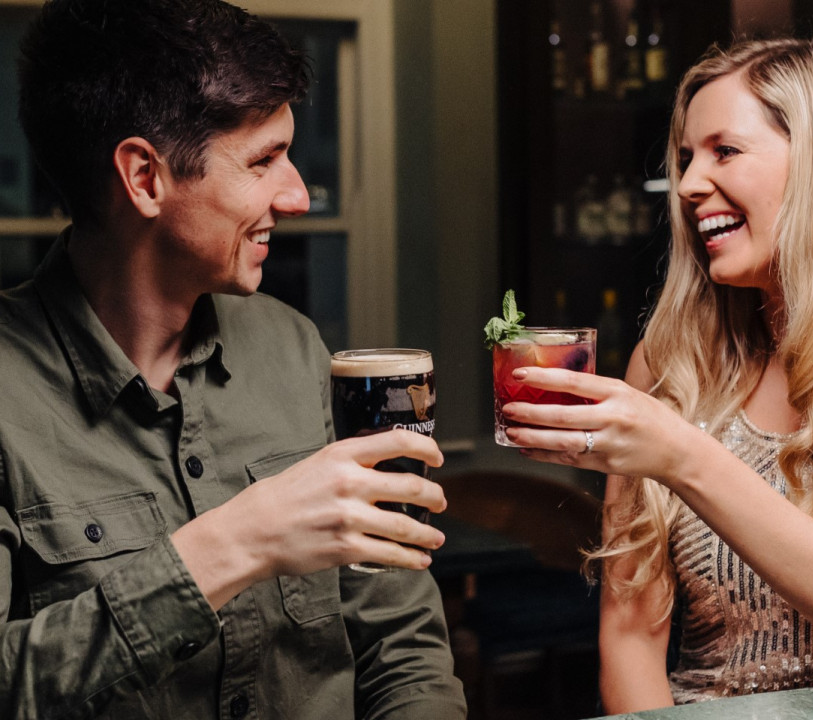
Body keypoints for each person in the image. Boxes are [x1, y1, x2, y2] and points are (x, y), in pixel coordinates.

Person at [1, 1, 466, 718]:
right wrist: (232, 546)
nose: (300, 196)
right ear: (145, 177)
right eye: (263, 160)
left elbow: (401, 642)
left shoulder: (294, 349)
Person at [499, 33, 813, 713]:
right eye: (687, 157)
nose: (690, 184)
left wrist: (686, 457)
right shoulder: (669, 372)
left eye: (725, 151)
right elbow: (631, 640)